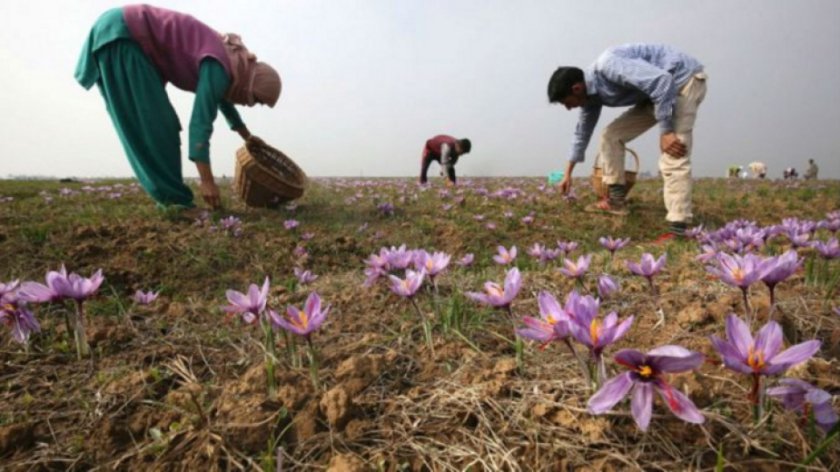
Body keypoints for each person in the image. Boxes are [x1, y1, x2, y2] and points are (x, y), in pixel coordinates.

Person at [75, 5, 281, 210]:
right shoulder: (220, 67)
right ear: (251, 83)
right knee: (155, 127)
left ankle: (173, 200)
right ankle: (174, 203)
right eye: (255, 99)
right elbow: (200, 125)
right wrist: (207, 181)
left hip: (123, 32)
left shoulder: (230, 66)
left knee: (160, 125)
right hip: (123, 36)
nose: (249, 104)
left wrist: (247, 137)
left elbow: (222, 99)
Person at [548, 43, 707, 239]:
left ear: (577, 88)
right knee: (611, 136)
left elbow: (662, 81)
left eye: (567, 103)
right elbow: (582, 133)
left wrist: (666, 131)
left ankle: (678, 229)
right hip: (656, 94)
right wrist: (567, 174)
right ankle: (616, 201)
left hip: (682, 82)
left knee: (673, 153)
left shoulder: (609, 66)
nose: (568, 108)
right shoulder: (590, 98)